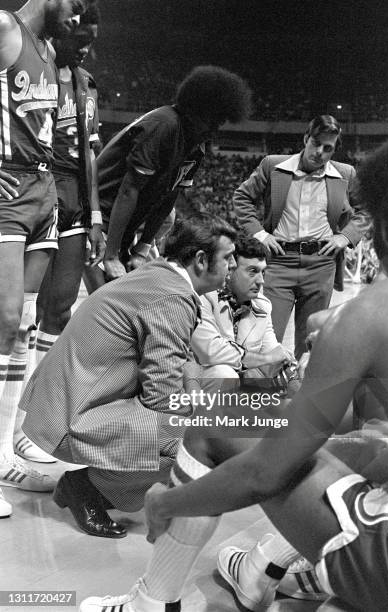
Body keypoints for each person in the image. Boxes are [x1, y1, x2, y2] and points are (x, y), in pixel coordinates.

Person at [79, 136, 388, 612]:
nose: (252, 276)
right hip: (164, 395)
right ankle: (271, 565)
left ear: (387, 233)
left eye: (255, 269)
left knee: (240, 425)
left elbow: (264, 469)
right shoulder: (183, 298)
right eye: (241, 266)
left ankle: (154, 601)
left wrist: (166, 504)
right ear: (207, 264)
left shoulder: (363, 310)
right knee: (363, 439)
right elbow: (181, 380)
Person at [19, 213, 236, 539]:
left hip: (66, 402)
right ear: (202, 260)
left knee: (204, 407)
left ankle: (103, 484)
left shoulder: (160, 276)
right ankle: (86, 487)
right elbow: (162, 395)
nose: (232, 265)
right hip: (73, 416)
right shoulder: (174, 296)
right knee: (195, 439)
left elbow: (176, 366)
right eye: (228, 257)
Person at [0, 0, 91, 518]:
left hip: (41, 189)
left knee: (25, 326)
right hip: (7, 187)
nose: (78, 17)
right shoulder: (6, 27)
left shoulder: (46, 52)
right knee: (5, 320)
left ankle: (8, 448)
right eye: (75, 5)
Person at [12, 3, 105, 466]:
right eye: (80, 37)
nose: (84, 46)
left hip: (63, 193)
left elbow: (92, 156)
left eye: (90, 41)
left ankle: (31, 416)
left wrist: (95, 214)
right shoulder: (30, 50)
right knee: (16, 314)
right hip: (31, 182)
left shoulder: (85, 84)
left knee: (54, 310)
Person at [82, 65, 251, 290]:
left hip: (123, 229)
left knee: (126, 302)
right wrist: (111, 255)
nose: (215, 129)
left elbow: (169, 196)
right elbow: (128, 191)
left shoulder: (196, 143)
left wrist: (142, 248)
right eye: (214, 120)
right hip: (97, 219)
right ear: (197, 109)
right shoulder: (164, 125)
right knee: (107, 304)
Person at [233, 115, 366, 360]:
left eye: (328, 148)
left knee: (309, 341)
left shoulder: (345, 173)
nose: (320, 152)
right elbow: (242, 198)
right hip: (278, 260)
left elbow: (366, 210)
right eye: (316, 143)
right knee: (264, 335)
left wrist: (345, 237)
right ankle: (262, 391)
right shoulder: (273, 165)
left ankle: (299, 392)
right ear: (305, 139)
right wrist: (260, 234)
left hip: (321, 262)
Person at [191, 235, 296, 394]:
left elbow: (273, 351)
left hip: (239, 380)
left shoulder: (263, 305)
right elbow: (211, 353)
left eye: (263, 272)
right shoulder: (204, 296)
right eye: (252, 271)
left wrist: (289, 367)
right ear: (230, 269)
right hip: (194, 381)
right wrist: (265, 359)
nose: (261, 281)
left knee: (288, 373)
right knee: (225, 375)